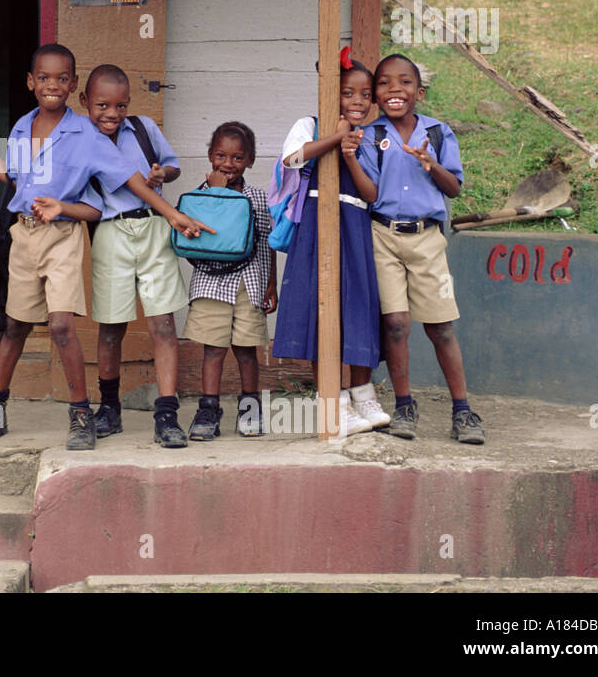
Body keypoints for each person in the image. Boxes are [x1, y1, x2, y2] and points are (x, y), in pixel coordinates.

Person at [0, 44, 211, 450]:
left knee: (60, 325)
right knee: (15, 327)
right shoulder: (23, 126)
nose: (51, 85)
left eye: (61, 78)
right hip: (24, 236)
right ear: (30, 82)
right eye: (43, 78)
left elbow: (131, 180)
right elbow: (17, 181)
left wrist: (170, 213)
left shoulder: (88, 134)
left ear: (72, 85)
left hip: (63, 234)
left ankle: (80, 415)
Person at [357, 53, 484, 444]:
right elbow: (373, 194)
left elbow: (454, 188)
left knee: (441, 327)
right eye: (384, 83)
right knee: (396, 325)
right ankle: (404, 406)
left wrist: (431, 162)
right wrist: (351, 160)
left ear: (420, 92)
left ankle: (463, 410)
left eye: (405, 82)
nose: (395, 89)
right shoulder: (371, 136)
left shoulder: (439, 133)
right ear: (376, 96)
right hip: (383, 236)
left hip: (428, 239)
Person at [272, 54, 387, 436]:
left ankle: (362, 394)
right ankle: (331, 402)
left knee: (358, 306)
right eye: (347, 93)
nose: (357, 101)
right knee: (318, 310)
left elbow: (371, 193)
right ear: (331, 93)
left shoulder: (372, 135)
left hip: (354, 224)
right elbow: (292, 158)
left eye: (365, 95)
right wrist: (336, 137)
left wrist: (351, 150)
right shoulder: (310, 124)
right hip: (316, 224)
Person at [76, 65, 190, 448]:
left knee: (163, 324)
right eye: (102, 105)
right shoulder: (80, 140)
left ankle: (167, 414)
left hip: (154, 228)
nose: (112, 113)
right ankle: (109, 408)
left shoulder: (142, 128)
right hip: (110, 233)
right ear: (84, 102)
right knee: (111, 326)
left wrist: (163, 173)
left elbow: (172, 165)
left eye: (121, 105)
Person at [183, 122, 276, 440]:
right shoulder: (200, 196)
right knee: (213, 350)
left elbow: (266, 243)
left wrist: (271, 285)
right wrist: (218, 192)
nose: (228, 164)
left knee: (247, 351)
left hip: (249, 285)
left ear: (250, 160)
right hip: (211, 284)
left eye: (237, 158)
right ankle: (208, 410)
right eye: (221, 155)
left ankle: (250, 408)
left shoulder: (258, 199)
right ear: (210, 156)